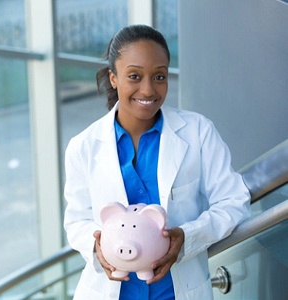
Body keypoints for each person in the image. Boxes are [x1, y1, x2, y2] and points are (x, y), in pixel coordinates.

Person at [64, 24, 251, 300]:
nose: (148, 89)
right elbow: (76, 219)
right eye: (135, 76)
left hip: (177, 291)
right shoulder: (84, 146)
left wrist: (187, 236)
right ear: (114, 78)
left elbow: (234, 201)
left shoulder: (198, 132)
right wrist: (98, 248)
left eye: (159, 76)